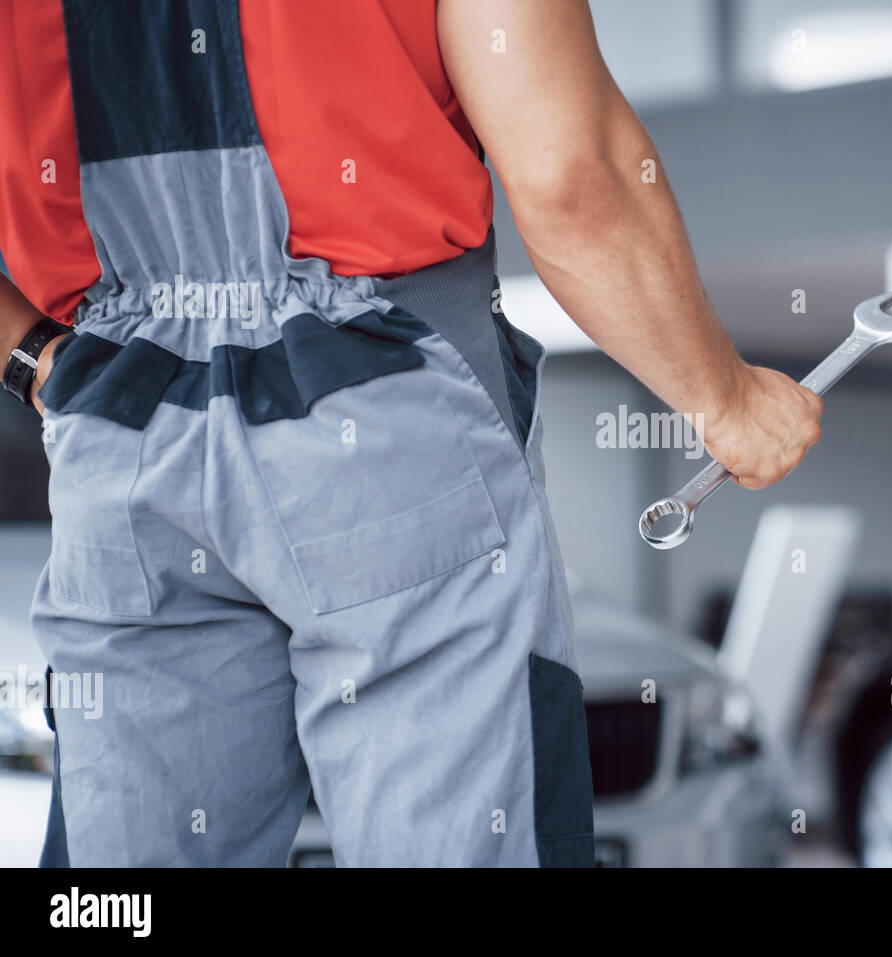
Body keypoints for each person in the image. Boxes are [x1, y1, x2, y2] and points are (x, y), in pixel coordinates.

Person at [0, 0, 822, 866]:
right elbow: (571, 177)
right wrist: (724, 399)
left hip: (122, 428)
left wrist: (31, 356)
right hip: (385, 403)